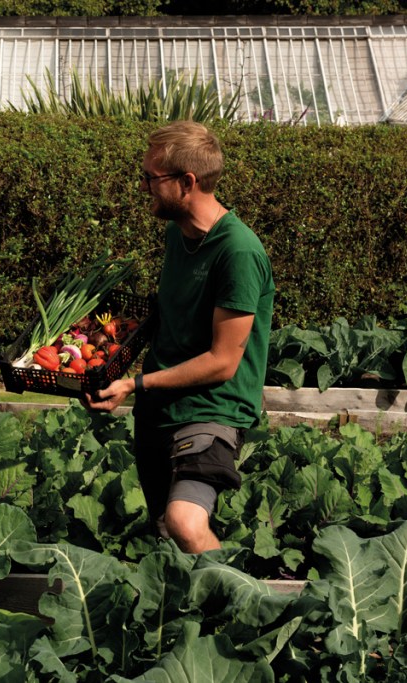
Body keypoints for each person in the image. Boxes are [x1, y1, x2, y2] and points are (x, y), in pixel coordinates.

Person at [87, 120, 275, 554]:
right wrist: (105, 345)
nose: (144, 186)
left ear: (187, 182)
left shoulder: (238, 252)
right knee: (168, 538)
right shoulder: (180, 234)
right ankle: (192, 617)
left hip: (212, 410)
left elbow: (222, 361)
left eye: (152, 178)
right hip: (160, 412)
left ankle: (240, 607)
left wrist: (134, 384)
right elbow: (171, 315)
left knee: (185, 523)